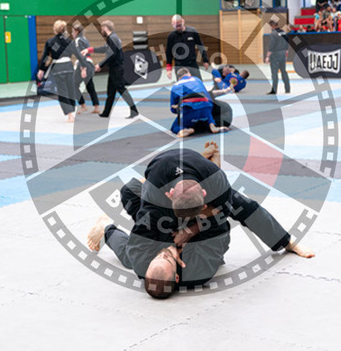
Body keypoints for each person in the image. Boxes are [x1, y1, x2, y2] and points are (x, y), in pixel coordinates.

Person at [87, 143, 314, 299]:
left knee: (237, 203)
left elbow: (240, 210)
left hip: (196, 182)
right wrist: (181, 235)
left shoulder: (216, 184)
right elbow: (219, 228)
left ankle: (106, 228)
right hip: (162, 182)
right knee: (129, 191)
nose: (161, 253)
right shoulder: (198, 269)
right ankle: (182, 179)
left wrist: (287, 242)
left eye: (158, 256)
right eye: (164, 258)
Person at [81, 20, 139, 119]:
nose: (101, 31)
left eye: (101, 29)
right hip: (114, 68)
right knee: (111, 92)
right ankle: (106, 112)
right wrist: (89, 50)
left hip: (116, 68)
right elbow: (105, 48)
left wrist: (100, 65)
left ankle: (134, 110)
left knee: (121, 90)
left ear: (105, 28)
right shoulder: (113, 38)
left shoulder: (113, 38)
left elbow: (112, 54)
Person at [37, 20, 85, 122]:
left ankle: (70, 114)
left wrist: (42, 69)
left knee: (63, 92)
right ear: (65, 29)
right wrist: (83, 66)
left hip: (58, 68)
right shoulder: (69, 41)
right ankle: (72, 111)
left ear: (55, 29)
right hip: (69, 68)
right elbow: (78, 54)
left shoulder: (51, 42)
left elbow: (46, 57)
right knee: (71, 90)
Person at [169, 68, 229, 138]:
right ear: (189, 74)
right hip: (206, 108)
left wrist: (178, 107)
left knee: (175, 126)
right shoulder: (197, 79)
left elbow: (173, 109)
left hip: (189, 110)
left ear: (178, 78)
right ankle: (212, 125)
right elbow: (208, 96)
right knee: (205, 103)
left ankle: (183, 130)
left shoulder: (175, 86)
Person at [165, 14, 209, 81]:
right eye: (176, 26)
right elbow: (168, 53)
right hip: (179, 65)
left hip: (192, 64)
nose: (178, 28)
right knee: (183, 85)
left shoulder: (192, 31)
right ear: (172, 24)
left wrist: (205, 60)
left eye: (179, 25)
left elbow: (200, 46)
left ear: (183, 21)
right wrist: (168, 69)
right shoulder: (171, 36)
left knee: (198, 83)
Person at [71, 24, 100, 114]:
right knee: (90, 85)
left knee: (74, 85)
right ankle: (96, 107)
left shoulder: (78, 40)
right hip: (89, 64)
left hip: (83, 64)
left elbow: (81, 55)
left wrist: (83, 68)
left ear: (76, 31)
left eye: (72, 31)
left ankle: (83, 105)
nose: (72, 33)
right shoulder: (85, 39)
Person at [265, 19, 289, 94]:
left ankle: (274, 90)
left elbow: (271, 45)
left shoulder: (273, 34)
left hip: (275, 54)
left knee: (274, 73)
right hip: (283, 53)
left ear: (272, 25)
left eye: (270, 26)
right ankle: (287, 89)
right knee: (284, 71)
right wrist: (286, 54)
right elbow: (287, 44)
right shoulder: (284, 32)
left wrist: (267, 56)